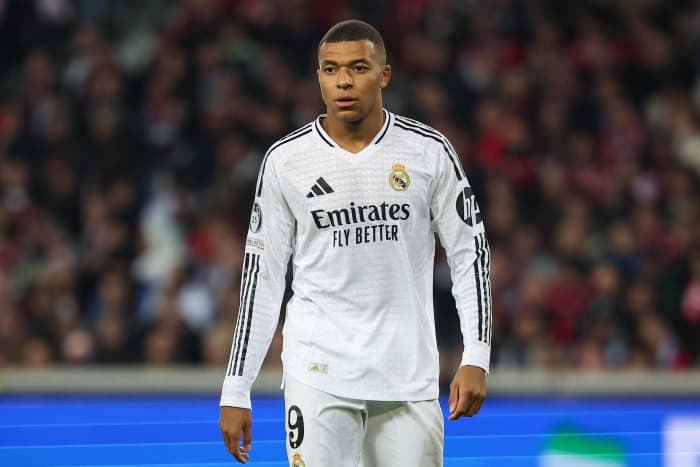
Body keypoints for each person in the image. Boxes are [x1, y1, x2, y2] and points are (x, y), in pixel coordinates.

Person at [219, 19, 492, 466]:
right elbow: (261, 277)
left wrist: (476, 354)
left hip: (407, 376)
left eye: (358, 67)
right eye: (330, 69)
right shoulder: (286, 161)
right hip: (318, 373)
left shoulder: (428, 152)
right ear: (319, 77)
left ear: (384, 75)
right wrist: (236, 385)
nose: (343, 81)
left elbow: (470, 255)